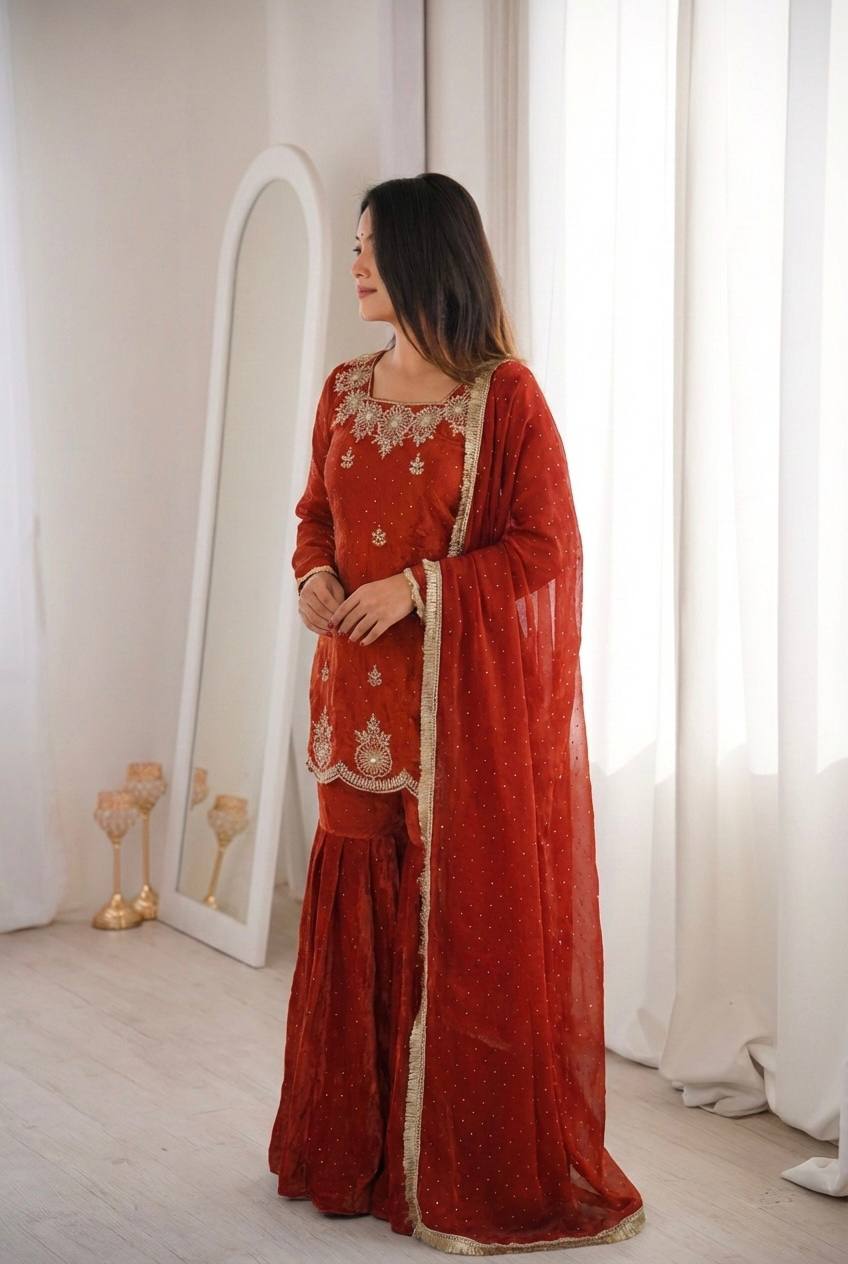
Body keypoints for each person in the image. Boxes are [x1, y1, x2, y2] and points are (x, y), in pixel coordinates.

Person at [268, 172, 646, 1255]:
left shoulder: (504, 398)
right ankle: (352, 1156)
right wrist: (312, 575)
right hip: (353, 710)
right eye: (353, 245)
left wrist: (420, 588)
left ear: (424, 255)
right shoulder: (343, 390)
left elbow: (546, 547)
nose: (354, 263)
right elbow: (313, 516)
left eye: (369, 245)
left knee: (457, 924)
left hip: (456, 724)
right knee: (356, 911)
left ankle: (454, 1169)